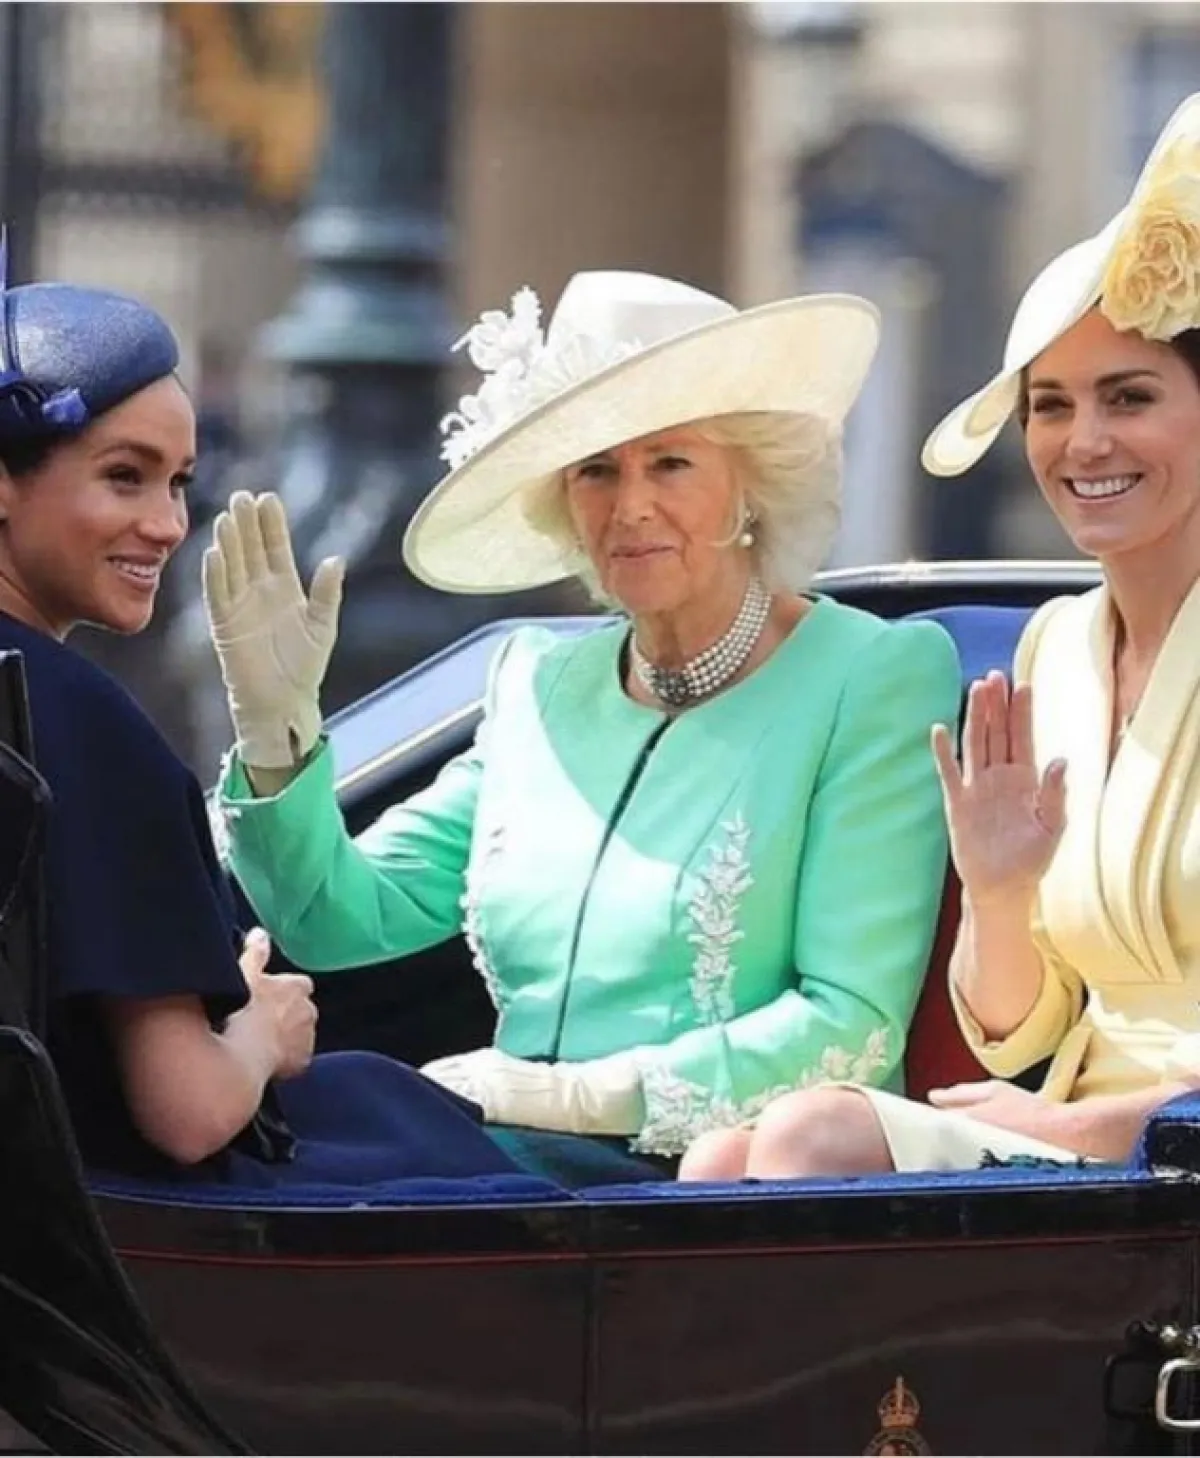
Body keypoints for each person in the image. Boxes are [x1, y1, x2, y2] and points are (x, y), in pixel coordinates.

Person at [206, 268, 961, 1185]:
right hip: (500, 1155)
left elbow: (851, 1022)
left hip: (708, 1183)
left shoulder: (872, 676)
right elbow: (335, 919)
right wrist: (277, 730)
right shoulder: (538, 682)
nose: (629, 504)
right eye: (596, 469)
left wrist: (579, 1096)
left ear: (750, 485)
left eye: (670, 463)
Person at [678, 91, 1200, 1181]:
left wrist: (1093, 1127)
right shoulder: (1054, 652)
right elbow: (1015, 1031)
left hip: (1156, 1147)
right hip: (1091, 1154)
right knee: (717, 1161)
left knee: (809, 1139)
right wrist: (999, 889)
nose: (1083, 442)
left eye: (1128, 397)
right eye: (1049, 406)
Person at [0, 259, 535, 1188]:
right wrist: (260, 1028)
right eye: (124, 477)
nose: (167, 524)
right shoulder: (83, 724)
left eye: (178, 483)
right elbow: (189, 1110)